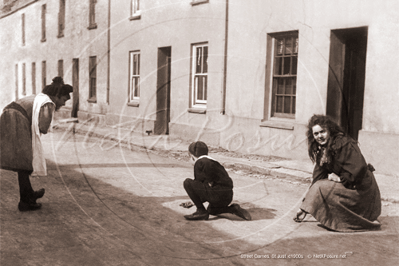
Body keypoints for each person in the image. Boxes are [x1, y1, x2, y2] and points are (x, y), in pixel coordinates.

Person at [293, 114, 381, 232]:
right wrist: (305, 207)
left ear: (329, 130)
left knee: (322, 187)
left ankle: (359, 217)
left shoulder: (343, 143)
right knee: (320, 185)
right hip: (352, 187)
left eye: (322, 132)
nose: (320, 136)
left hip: (363, 191)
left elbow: (358, 168)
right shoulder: (322, 150)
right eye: (316, 134)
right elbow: (317, 179)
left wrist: (339, 179)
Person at [0, 77, 73, 211]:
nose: (63, 104)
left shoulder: (40, 97)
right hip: (16, 118)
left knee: (23, 161)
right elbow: (43, 127)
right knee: (24, 162)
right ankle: (25, 201)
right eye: (63, 100)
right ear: (57, 96)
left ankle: (29, 195)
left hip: (8, 115)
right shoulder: (48, 103)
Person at [183, 141, 252, 221]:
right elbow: (207, 187)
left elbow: (200, 188)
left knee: (187, 182)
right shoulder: (214, 162)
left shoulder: (199, 163)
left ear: (191, 156)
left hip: (216, 195)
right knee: (211, 210)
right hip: (227, 196)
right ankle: (232, 209)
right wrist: (194, 202)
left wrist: (197, 202)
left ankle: (201, 211)